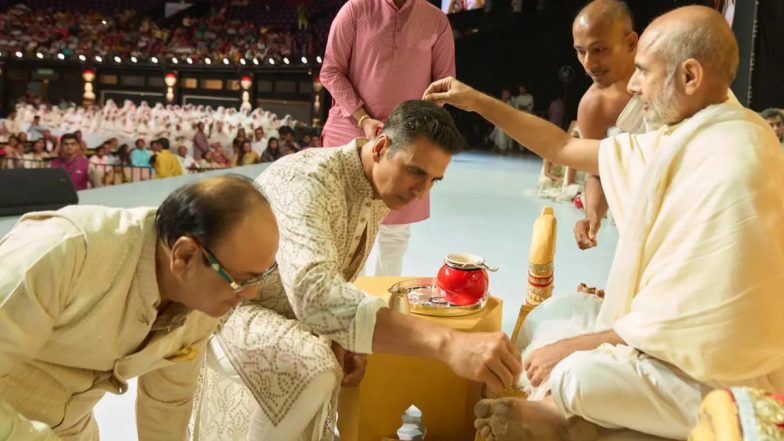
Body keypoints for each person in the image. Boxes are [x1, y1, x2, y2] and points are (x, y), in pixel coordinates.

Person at [424, 6, 784, 440]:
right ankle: (570, 417)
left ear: (690, 77)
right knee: (557, 314)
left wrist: (582, 345)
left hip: (718, 377)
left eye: (645, 71)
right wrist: (475, 100)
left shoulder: (732, 164)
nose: (633, 84)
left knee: (576, 374)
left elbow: (690, 330)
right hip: (663, 343)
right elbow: (560, 146)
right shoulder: (686, 135)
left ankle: (566, 425)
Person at [191, 101, 522, 441]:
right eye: (416, 172)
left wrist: (345, 338)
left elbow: (332, 280)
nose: (421, 192)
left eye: (434, 180)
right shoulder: (309, 180)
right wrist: (448, 344)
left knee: (328, 365)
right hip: (225, 306)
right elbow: (312, 292)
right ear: (380, 146)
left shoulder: (373, 185)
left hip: (283, 316)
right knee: (312, 369)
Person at [0, 176, 278, 439]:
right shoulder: (65, 252)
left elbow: (167, 404)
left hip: (70, 427)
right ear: (184, 255)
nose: (251, 293)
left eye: (259, 277)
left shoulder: (200, 300)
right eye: (240, 280)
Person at [320, 0, 456, 277]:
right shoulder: (356, 9)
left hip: (408, 138)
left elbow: (444, 84)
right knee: (343, 226)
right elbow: (331, 70)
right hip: (350, 130)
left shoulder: (436, 20)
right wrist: (363, 118)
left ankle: (381, 306)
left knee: (395, 232)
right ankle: (339, 303)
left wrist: (409, 126)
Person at [570, 0, 644, 250]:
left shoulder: (671, 75)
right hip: (643, 217)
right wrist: (592, 215)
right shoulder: (593, 107)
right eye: (581, 51)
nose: (589, 63)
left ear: (631, 43)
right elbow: (599, 171)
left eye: (599, 49)